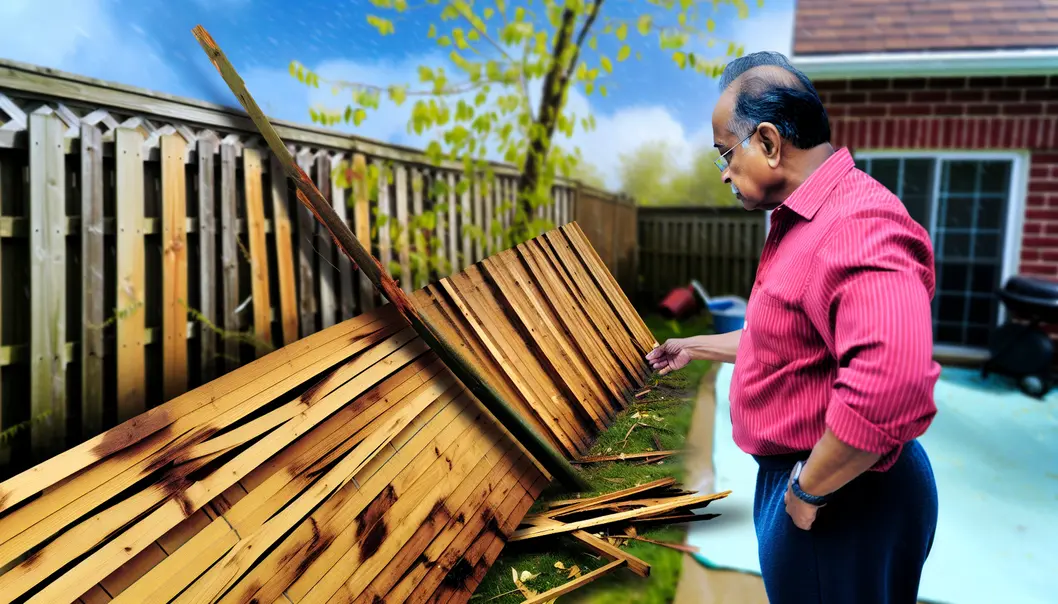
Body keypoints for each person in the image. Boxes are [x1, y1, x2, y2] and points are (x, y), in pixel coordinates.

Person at [646, 51, 939, 604]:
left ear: (769, 142)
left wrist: (808, 491)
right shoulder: (807, 219)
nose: (725, 172)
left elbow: (893, 383)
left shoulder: (855, 223)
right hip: (828, 483)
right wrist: (693, 345)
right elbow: (780, 335)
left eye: (725, 154)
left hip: (841, 497)